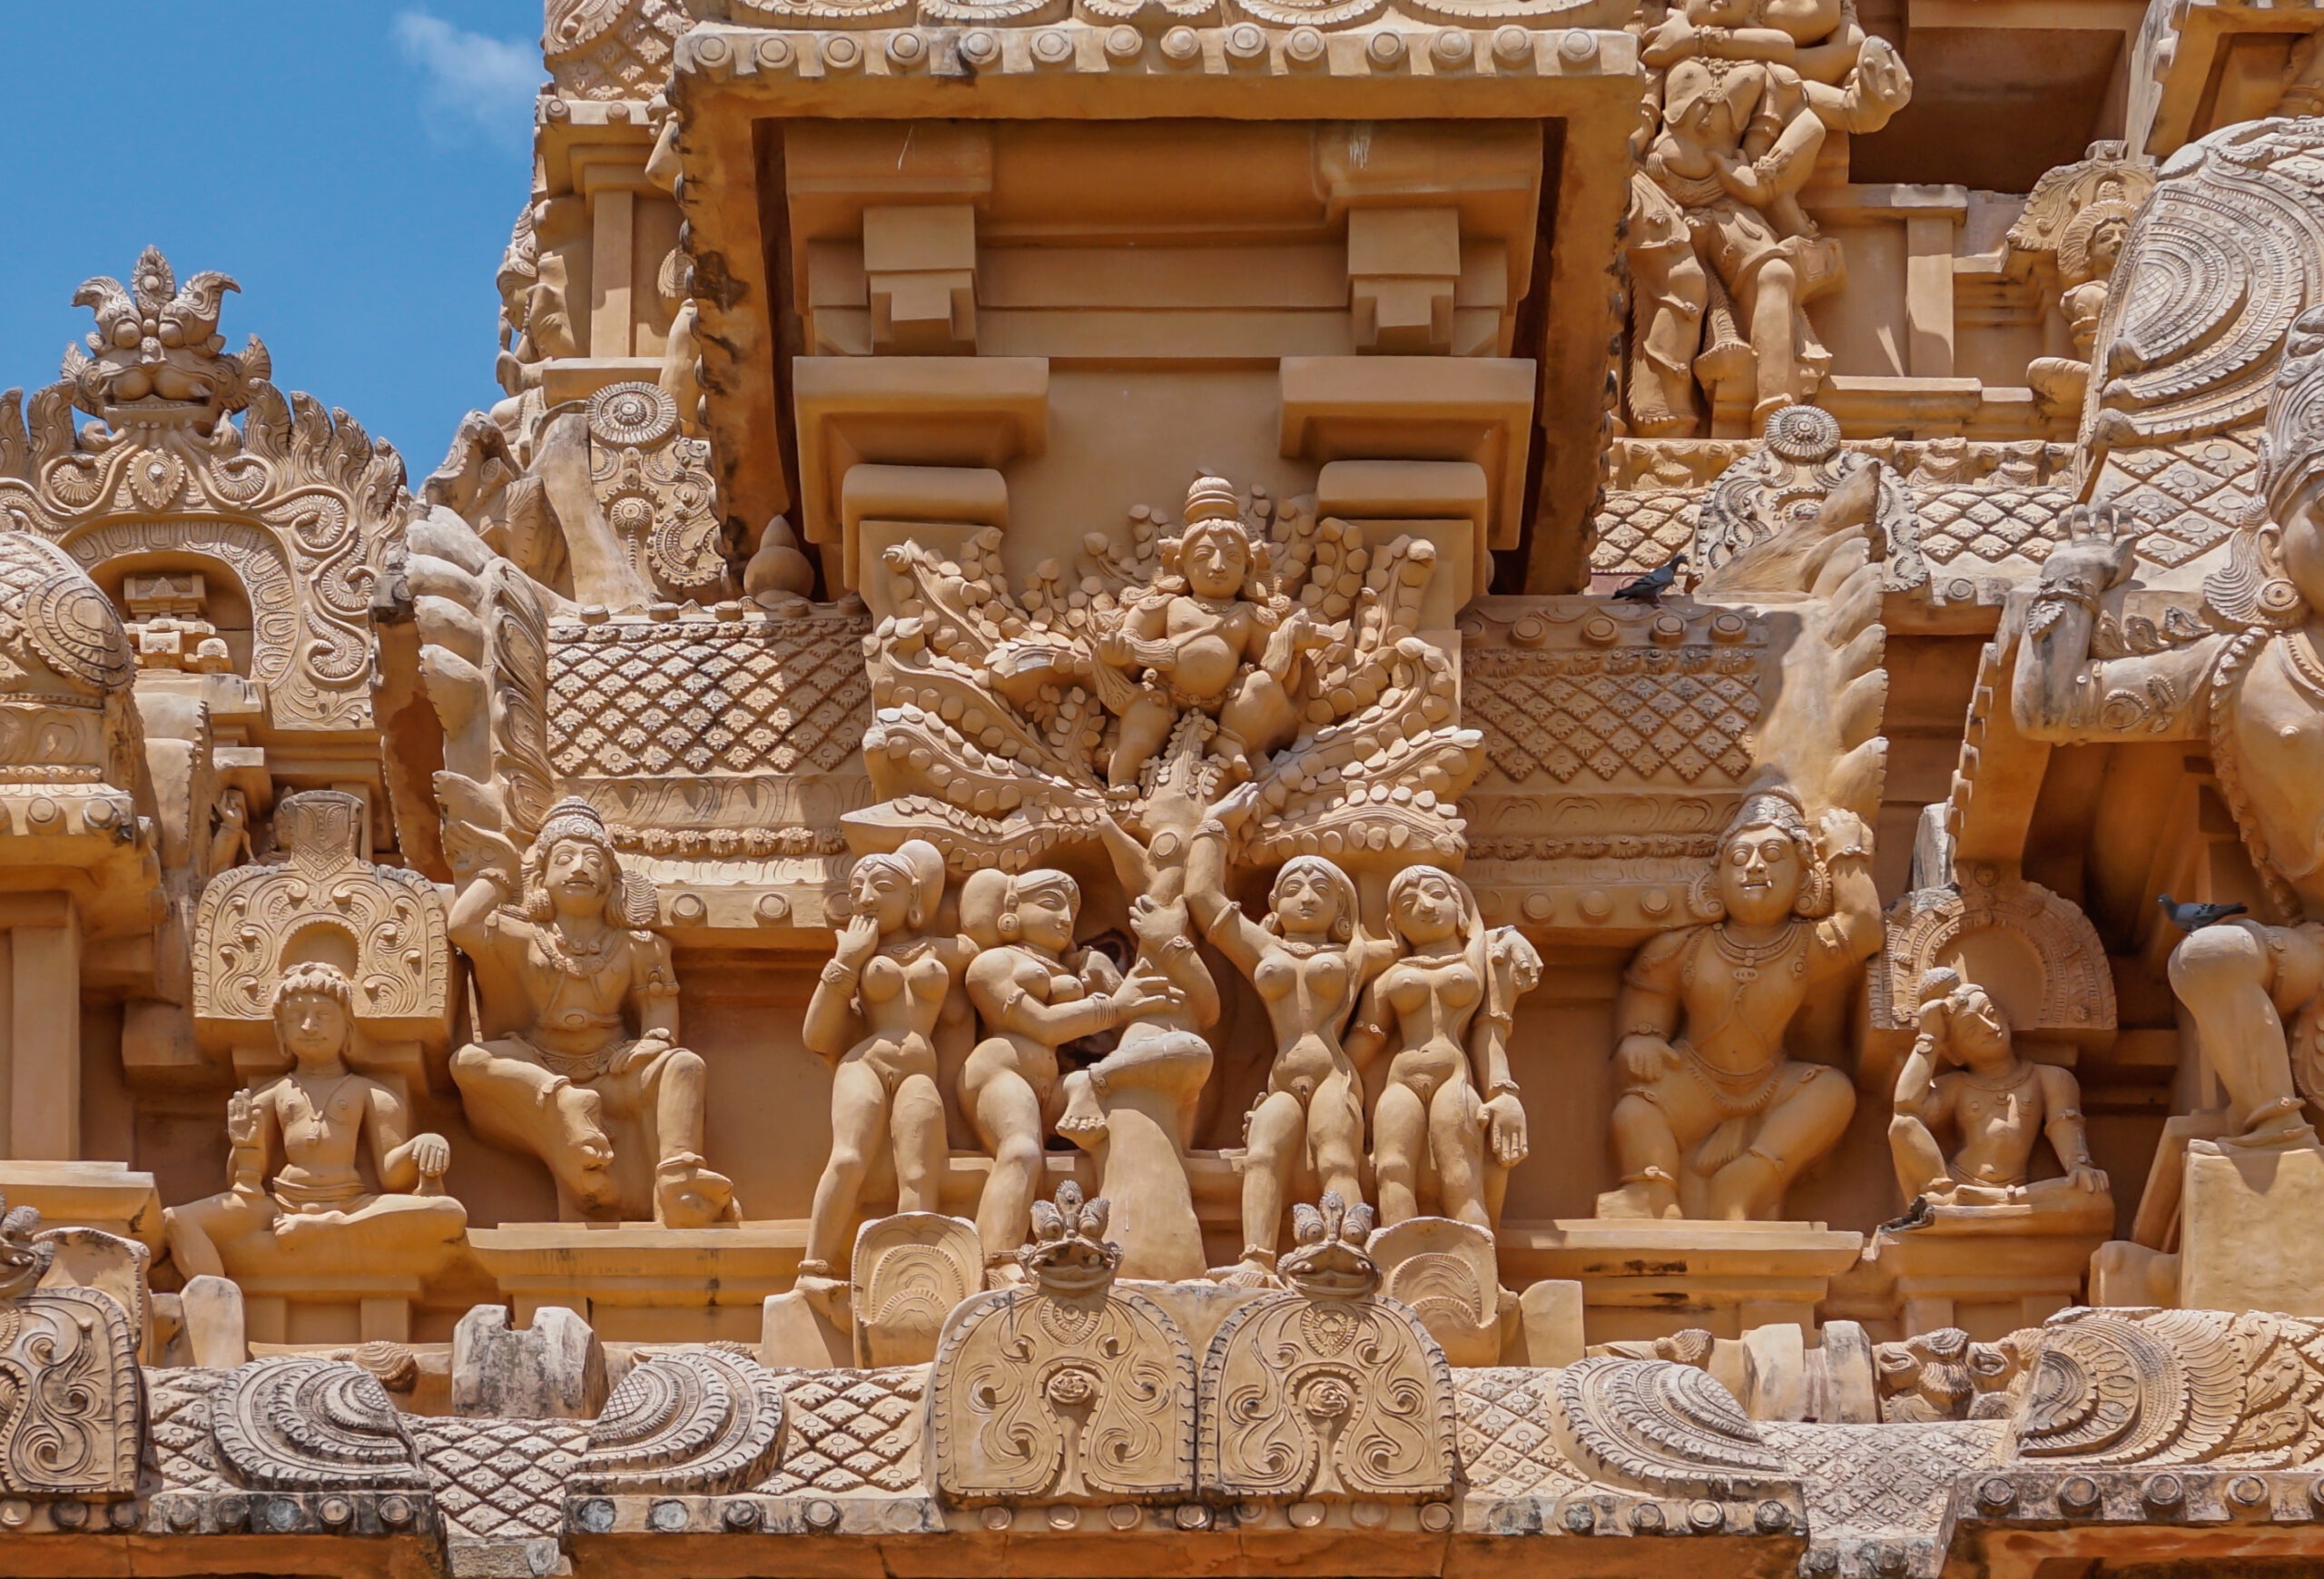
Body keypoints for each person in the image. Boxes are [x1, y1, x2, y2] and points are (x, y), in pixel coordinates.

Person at [448, 798, 736, 1226]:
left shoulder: (641, 945)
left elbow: (660, 1017)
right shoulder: (524, 936)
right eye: (563, 859)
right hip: (538, 1067)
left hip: (613, 1069)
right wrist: (499, 871)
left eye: (594, 860)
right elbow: (462, 926)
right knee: (470, 1060)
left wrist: (650, 1046)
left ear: (613, 882)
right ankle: (564, 1102)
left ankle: (680, 1176)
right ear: (542, 878)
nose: (580, 867)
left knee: (684, 1064)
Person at [164, 963, 466, 1281]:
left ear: (348, 1027)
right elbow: (244, 1185)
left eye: (323, 1015)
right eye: (295, 1018)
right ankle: (217, 1302)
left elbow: (391, 1176)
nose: (309, 1026)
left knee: (449, 1213)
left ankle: (326, 1228)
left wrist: (425, 1143)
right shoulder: (269, 1096)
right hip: (281, 1206)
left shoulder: (373, 1094)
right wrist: (246, 1146)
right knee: (177, 1219)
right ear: (280, 1031)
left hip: (350, 1205)